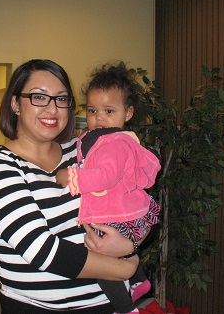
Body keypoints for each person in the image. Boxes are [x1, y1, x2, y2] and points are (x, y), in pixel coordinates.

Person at [0, 59, 140, 313]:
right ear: (15, 103)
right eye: (39, 97)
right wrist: (126, 267)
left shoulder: (85, 150)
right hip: (38, 308)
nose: (52, 109)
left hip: (110, 303)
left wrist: (131, 243)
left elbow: (134, 200)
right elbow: (41, 250)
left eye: (61, 99)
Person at [55, 62, 162, 314]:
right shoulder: (103, 139)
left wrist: (69, 176)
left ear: (128, 113)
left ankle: (126, 308)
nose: (99, 117)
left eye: (109, 110)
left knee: (102, 265)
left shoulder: (114, 144)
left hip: (113, 216)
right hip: (122, 212)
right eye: (92, 110)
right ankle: (139, 280)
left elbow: (103, 177)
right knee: (112, 257)